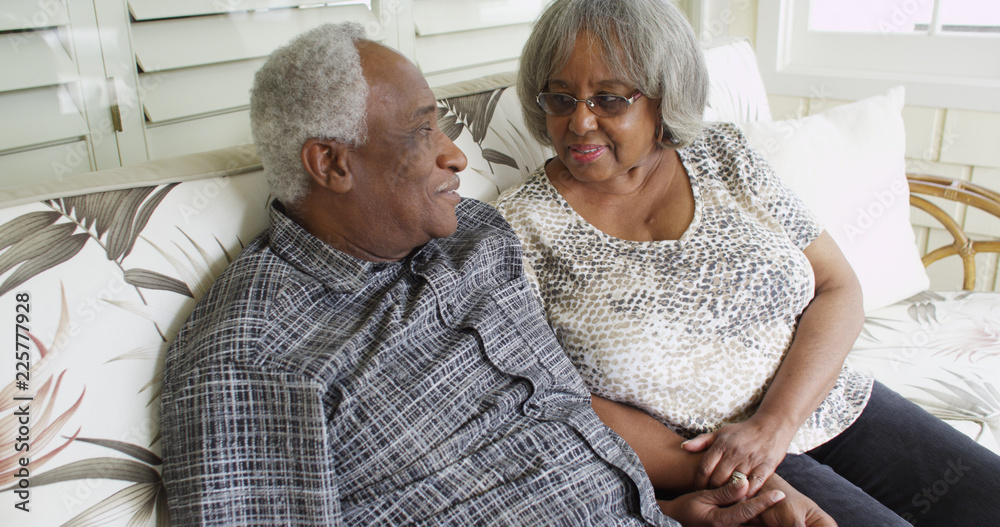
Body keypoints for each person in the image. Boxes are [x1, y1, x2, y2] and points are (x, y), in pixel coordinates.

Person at [158, 21, 832, 526]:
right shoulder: (250, 356)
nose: (456, 156)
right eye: (423, 132)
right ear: (331, 164)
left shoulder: (474, 236)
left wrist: (682, 508)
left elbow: (563, 422)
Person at [494, 0, 1000, 525]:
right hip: (706, 460)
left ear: (664, 98)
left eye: (609, 99)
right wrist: (728, 469)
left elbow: (837, 286)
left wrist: (774, 425)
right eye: (560, 97)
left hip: (831, 402)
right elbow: (550, 395)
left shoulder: (724, 155)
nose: (579, 120)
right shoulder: (513, 229)